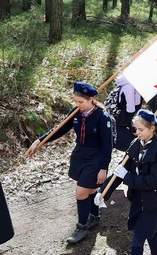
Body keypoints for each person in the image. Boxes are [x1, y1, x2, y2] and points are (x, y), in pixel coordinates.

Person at [27, 82, 113, 244]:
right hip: (80, 156)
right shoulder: (75, 112)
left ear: (91, 99)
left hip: (95, 158)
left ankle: (82, 227)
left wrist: (103, 168)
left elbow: (107, 145)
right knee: (90, 188)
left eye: (81, 102)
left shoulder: (102, 117)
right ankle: (94, 216)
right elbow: (58, 129)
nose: (78, 105)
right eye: (75, 102)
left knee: (81, 191)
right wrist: (39, 141)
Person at [105, 109, 157, 255]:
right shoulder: (136, 143)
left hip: (154, 200)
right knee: (149, 231)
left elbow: (153, 181)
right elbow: (121, 169)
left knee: (139, 238)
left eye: (141, 129)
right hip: (138, 198)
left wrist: (129, 178)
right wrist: (103, 193)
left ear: (152, 128)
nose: (137, 132)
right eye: (136, 129)